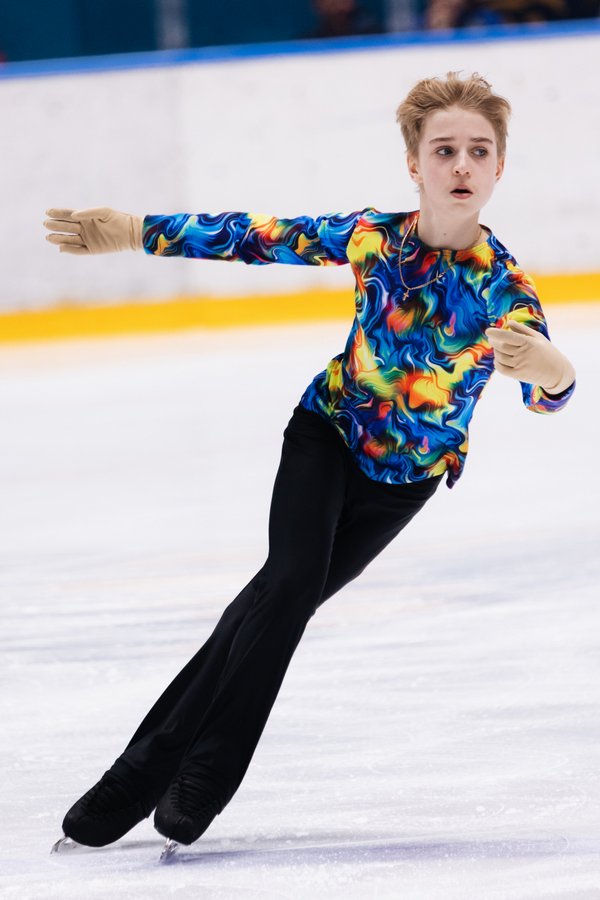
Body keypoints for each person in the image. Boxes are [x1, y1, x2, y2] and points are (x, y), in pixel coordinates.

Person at [44, 71, 576, 856]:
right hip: (326, 434)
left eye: (479, 151)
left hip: (405, 485)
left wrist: (554, 372)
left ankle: (145, 772)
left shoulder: (503, 286)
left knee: (272, 607)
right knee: (289, 587)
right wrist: (135, 231)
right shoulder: (373, 238)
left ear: (500, 166)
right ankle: (184, 781)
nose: (461, 165)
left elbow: (545, 392)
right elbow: (259, 235)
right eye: (444, 150)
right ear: (414, 163)